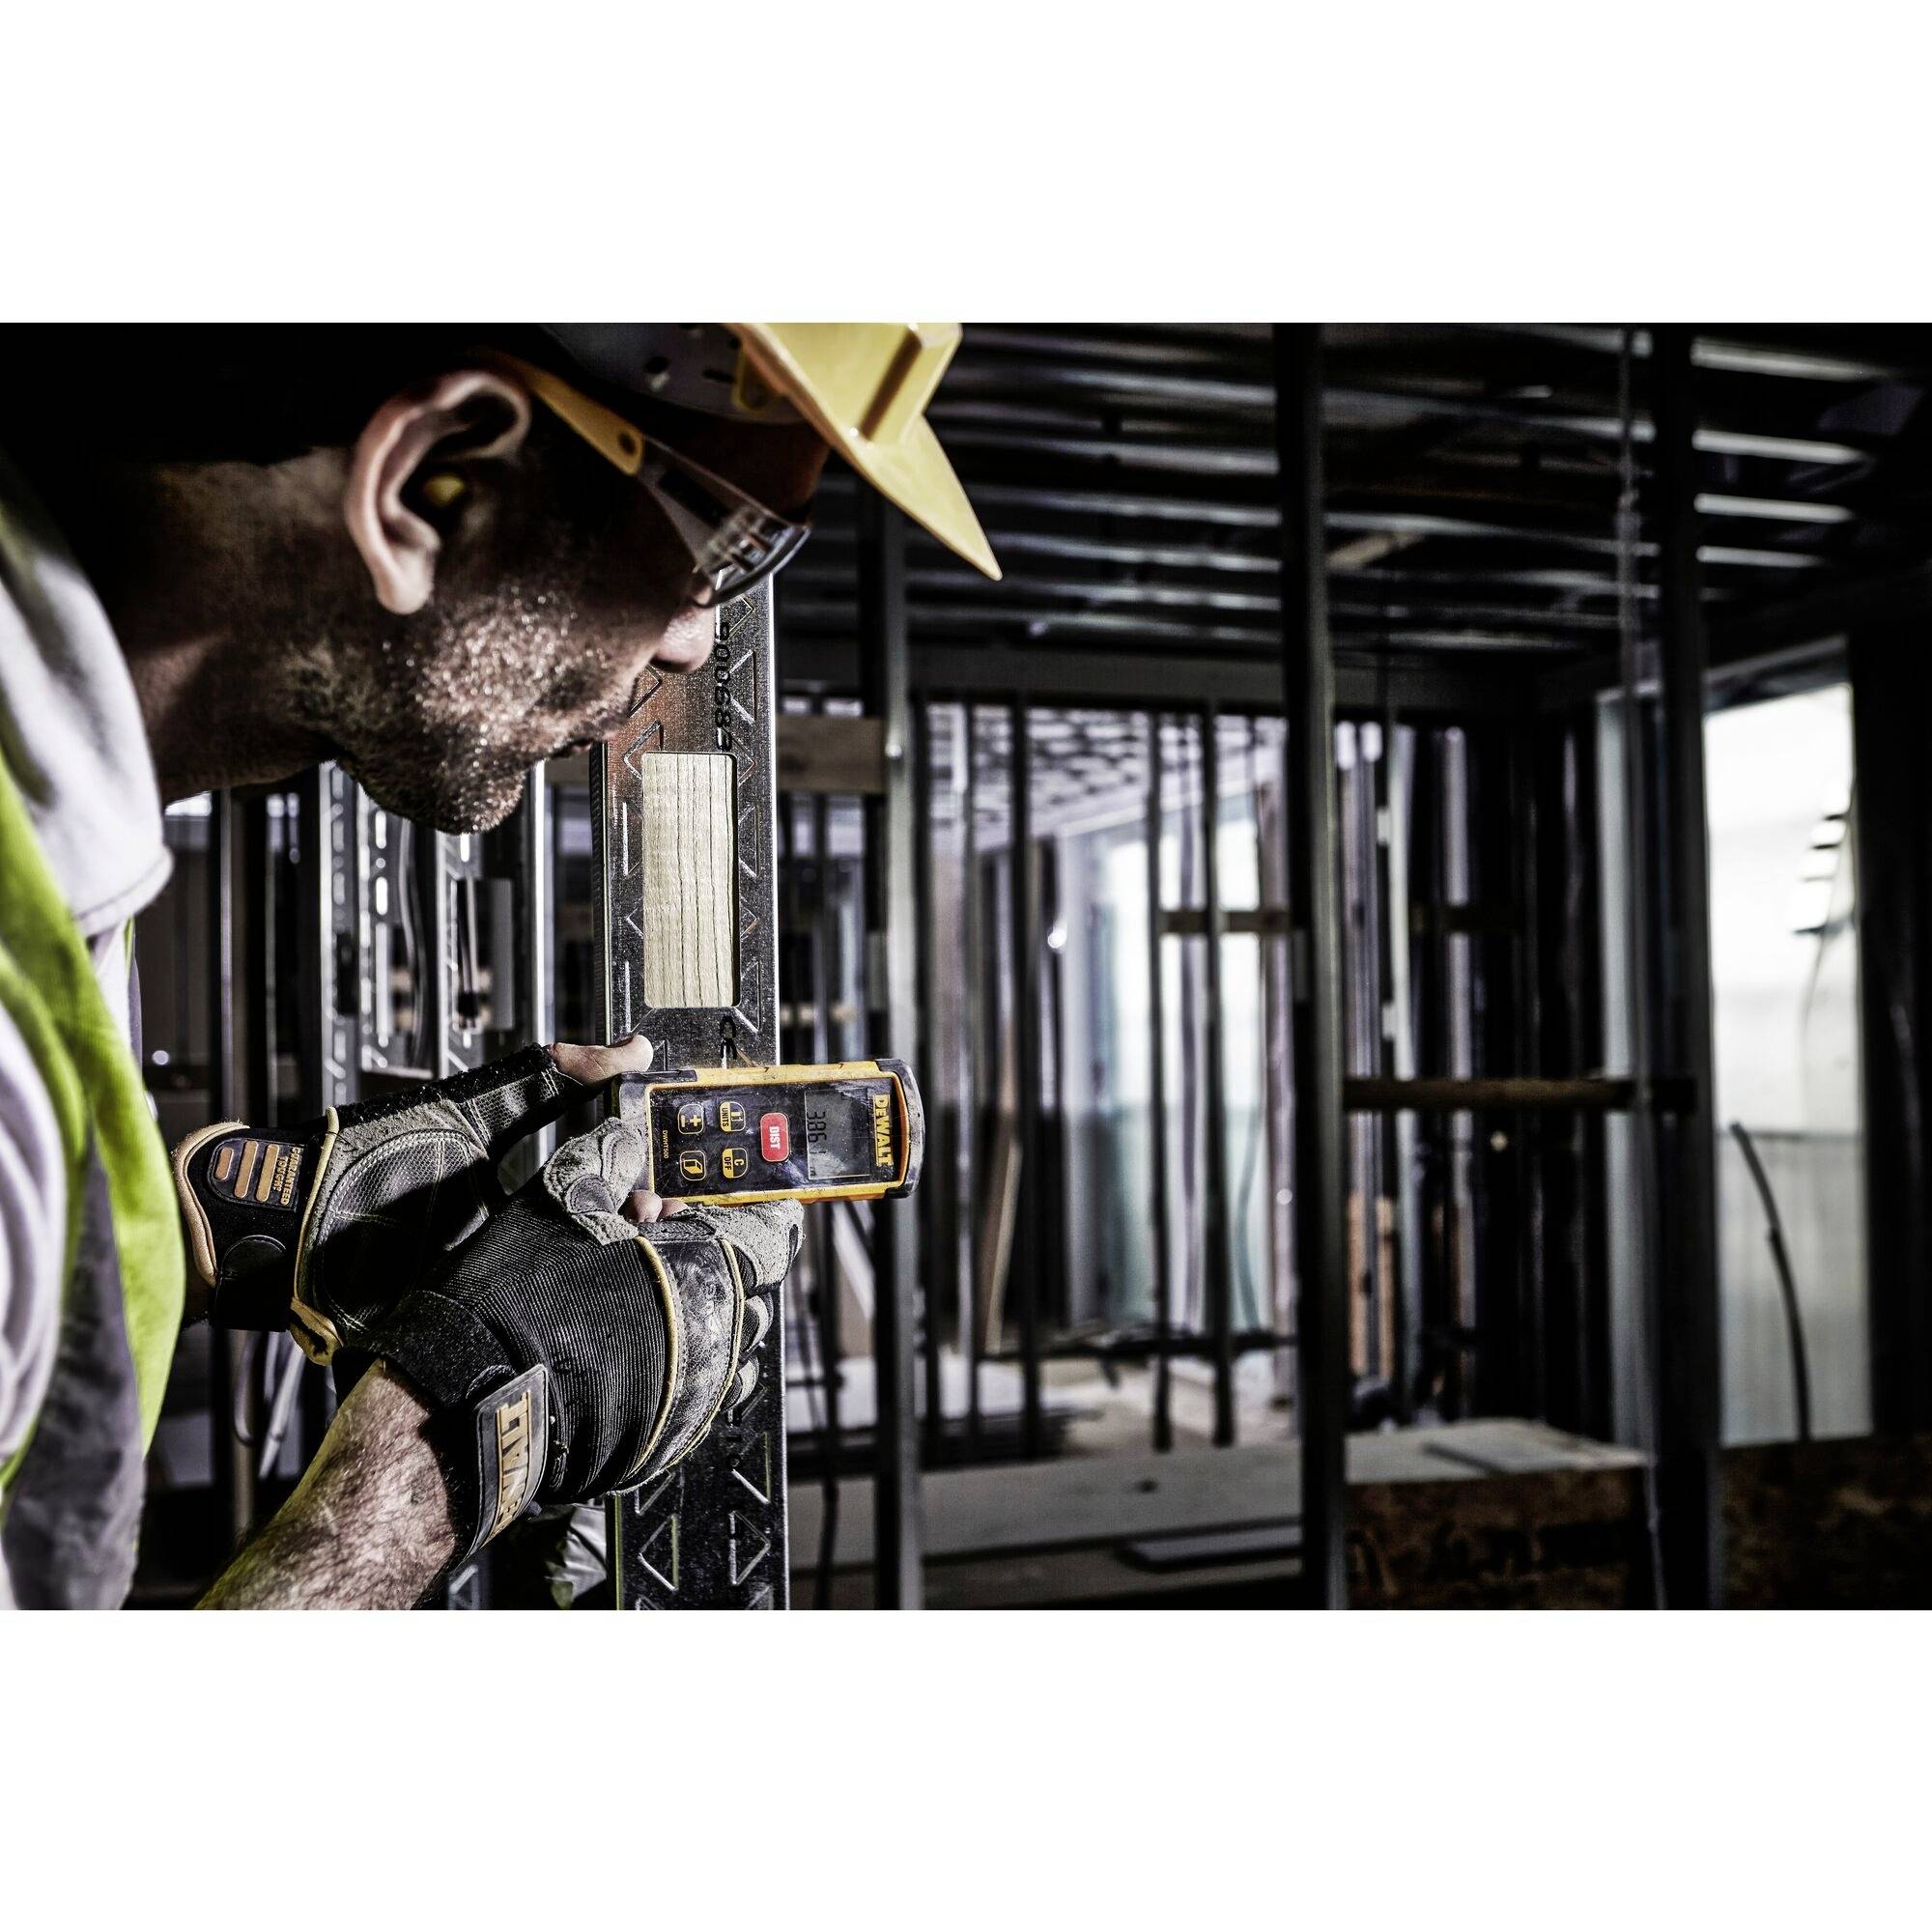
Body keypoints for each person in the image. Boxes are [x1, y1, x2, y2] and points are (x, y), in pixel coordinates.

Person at [0, 324, 998, 1608]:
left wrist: (285, 1215)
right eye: (721, 544)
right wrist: (447, 1442)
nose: (700, 641)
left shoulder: (55, 842)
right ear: (430, 484)